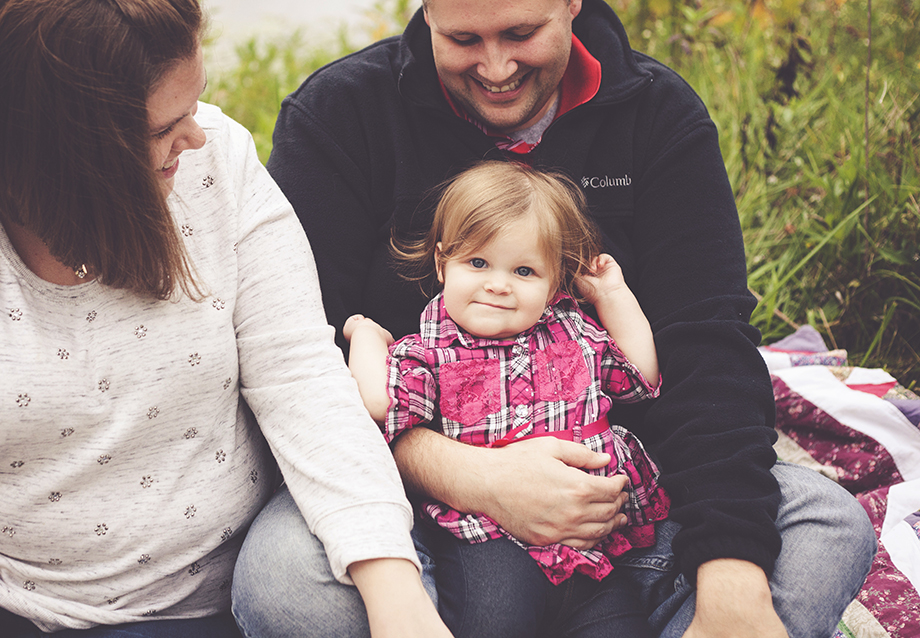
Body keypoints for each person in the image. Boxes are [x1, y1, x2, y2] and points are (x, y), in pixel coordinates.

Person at [234, 0, 877, 636]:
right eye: (463, 38)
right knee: (285, 580)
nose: (495, 67)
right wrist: (474, 476)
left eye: (521, 32)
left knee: (826, 525)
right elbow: (293, 360)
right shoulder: (341, 114)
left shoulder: (658, 116)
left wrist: (731, 576)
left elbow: (705, 345)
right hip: (410, 507)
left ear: (572, 3)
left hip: (618, 509)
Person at [0, 0, 450, 636]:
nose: (198, 137)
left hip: (229, 590)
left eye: (195, 105)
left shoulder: (214, 166)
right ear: (66, 149)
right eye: (164, 127)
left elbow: (299, 376)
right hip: (27, 604)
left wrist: (396, 592)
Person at [343, 161, 670, 636]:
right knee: (495, 621)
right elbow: (380, 405)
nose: (498, 283)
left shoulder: (575, 331)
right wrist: (368, 338)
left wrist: (612, 295)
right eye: (477, 263)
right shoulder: (430, 352)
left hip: (592, 550)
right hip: (493, 541)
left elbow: (641, 375)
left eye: (523, 270)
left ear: (554, 281)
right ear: (442, 263)